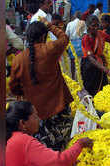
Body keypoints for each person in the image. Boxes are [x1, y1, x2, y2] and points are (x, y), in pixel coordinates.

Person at [9, 18, 73, 151]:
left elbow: (14, 87)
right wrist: (50, 25)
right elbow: (64, 38)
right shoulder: (50, 49)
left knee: (42, 148)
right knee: (61, 144)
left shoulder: (18, 60)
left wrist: (25, 92)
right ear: (44, 36)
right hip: (58, 107)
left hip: (35, 113)